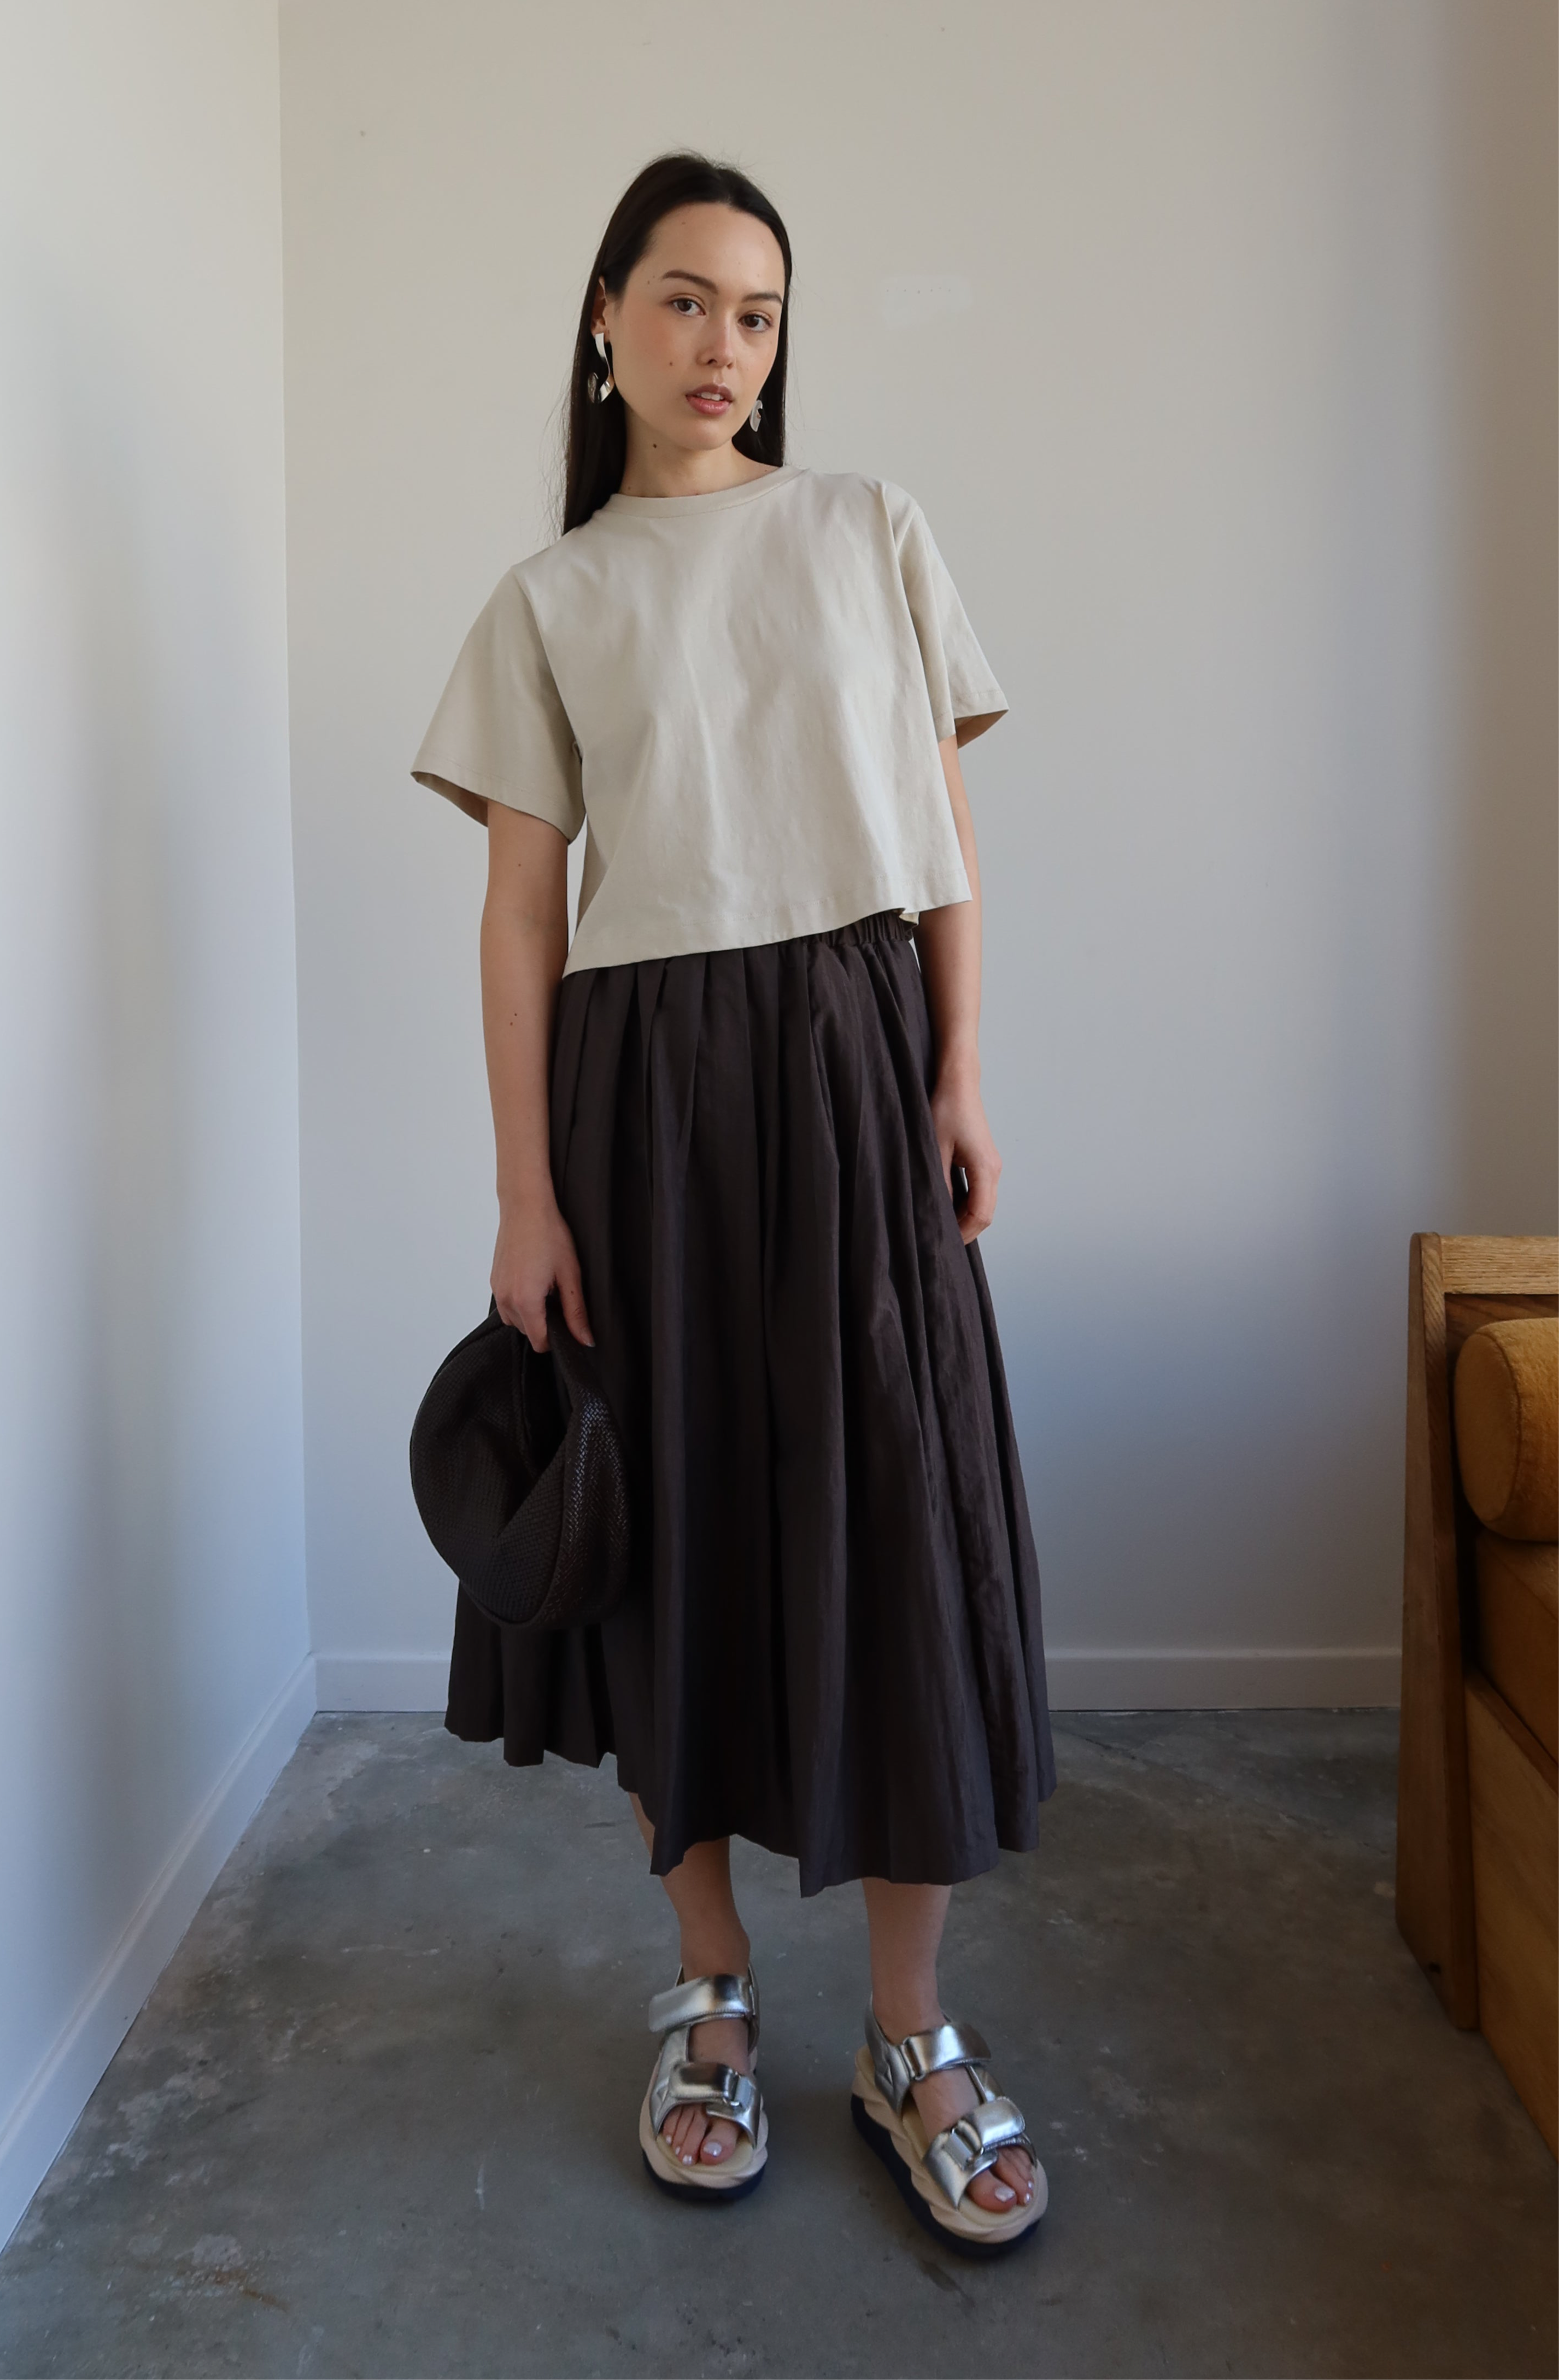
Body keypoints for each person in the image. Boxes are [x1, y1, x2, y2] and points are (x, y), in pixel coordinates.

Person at [411, 152, 1055, 2254]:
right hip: (647, 1102)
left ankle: (908, 2030)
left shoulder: (867, 529)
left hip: (856, 1067)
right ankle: (707, 1995)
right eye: (684, 300)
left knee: (896, 1516)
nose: (723, 348)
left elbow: (938, 833)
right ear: (605, 316)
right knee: (665, 1528)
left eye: (759, 313)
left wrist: (958, 1066)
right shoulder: (552, 598)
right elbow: (522, 919)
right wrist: (524, 1192)